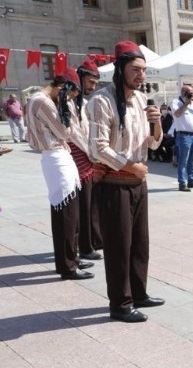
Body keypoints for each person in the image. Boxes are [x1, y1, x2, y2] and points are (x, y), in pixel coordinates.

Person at [87, 40, 165, 322]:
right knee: (119, 246)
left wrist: (157, 123)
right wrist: (132, 167)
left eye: (144, 70)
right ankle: (120, 304)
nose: (141, 75)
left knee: (139, 243)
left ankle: (139, 293)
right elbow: (97, 148)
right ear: (119, 69)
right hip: (114, 183)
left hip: (137, 182)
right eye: (135, 69)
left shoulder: (142, 100)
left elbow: (153, 145)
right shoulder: (101, 101)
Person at [28, 69, 93, 281]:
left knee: (67, 214)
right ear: (62, 88)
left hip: (57, 157)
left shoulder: (41, 100)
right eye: (69, 95)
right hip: (56, 157)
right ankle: (68, 265)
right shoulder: (43, 101)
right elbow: (65, 132)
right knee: (67, 214)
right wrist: (64, 107)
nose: (69, 100)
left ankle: (69, 258)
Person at [71, 58, 103, 261]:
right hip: (79, 159)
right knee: (83, 205)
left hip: (88, 158)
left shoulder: (82, 102)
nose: (93, 87)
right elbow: (76, 134)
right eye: (90, 82)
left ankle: (92, 240)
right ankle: (84, 246)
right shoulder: (71, 103)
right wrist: (94, 155)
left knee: (91, 203)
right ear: (80, 79)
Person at [171, 84, 193, 191]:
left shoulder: (192, 104)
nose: (191, 94)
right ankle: (182, 183)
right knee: (183, 160)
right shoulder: (176, 102)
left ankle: (191, 180)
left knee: (192, 160)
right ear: (183, 92)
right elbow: (177, 114)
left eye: (192, 92)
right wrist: (186, 103)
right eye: (189, 92)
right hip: (183, 135)